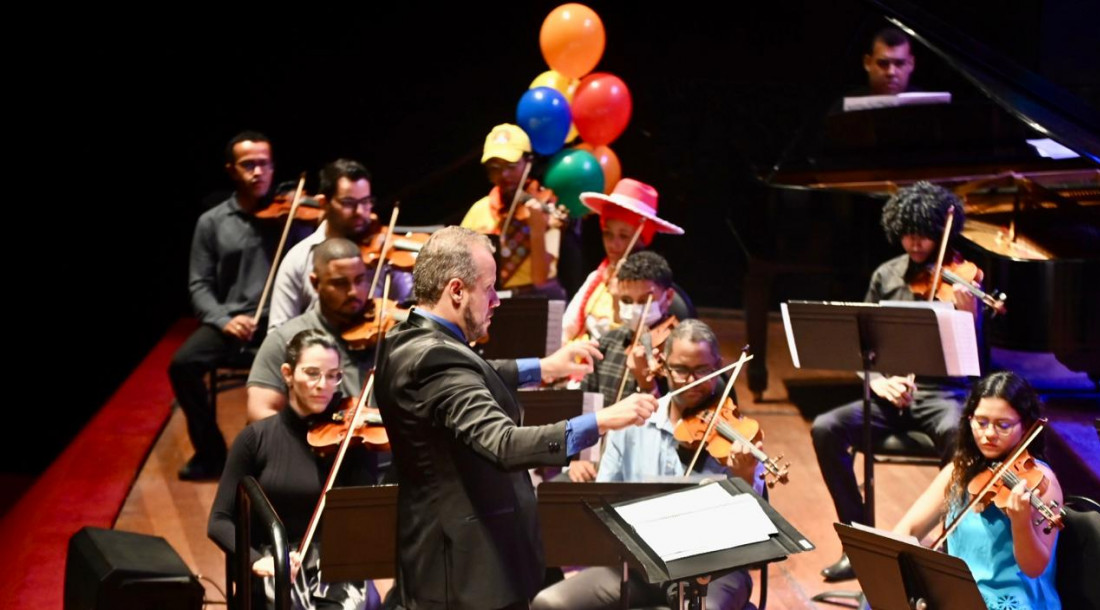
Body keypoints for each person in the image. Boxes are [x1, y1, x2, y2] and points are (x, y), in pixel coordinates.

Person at [373, 226, 660, 610]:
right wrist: (602, 420)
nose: (496, 300)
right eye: (489, 288)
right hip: (465, 573)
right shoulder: (437, 361)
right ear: (456, 290)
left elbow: (475, 371)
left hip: (445, 555)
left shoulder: (405, 337)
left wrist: (543, 368)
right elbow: (505, 445)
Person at [812, 181, 979, 582]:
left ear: (942, 230)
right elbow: (860, 346)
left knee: (961, 438)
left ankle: (945, 552)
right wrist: (877, 381)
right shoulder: (885, 275)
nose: (914, 242)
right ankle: (859, 544)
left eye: (922, 233)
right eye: (906, 232)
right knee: (826, 427)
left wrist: (968, 313)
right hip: (890, 394)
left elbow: (976, 356)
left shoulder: (963, 278)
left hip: (942, 393)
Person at [534, 319, 761, 610]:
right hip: (638, 568)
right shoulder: (631, 423)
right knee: (550, 603)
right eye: (681, 370)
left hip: (715, 572)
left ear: (719, 366)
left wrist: (745, 474)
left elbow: (754, 533)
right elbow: (603, 507)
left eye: (703, 370)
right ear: (664, 366)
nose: (692, 381)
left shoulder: (737, 433)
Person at [208, 329, 382, 610]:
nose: (323, 385)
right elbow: (219, 521)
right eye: (312, 373)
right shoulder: (255, 439)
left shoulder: (353, 438)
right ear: (288, 374)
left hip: (336, 563)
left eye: (333, 375)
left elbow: (362, 519)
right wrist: (257, 561)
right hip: (275, 561)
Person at [170, 130, 287, 481]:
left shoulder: (293, 216)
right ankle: (211, 453)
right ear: (232, 170)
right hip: (235, 321)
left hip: (281, 321)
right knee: (183, 365)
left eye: (264, 164)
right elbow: (199, 284)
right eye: (248, 165)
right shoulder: (212, 222)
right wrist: (223, 319)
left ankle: (288, 457)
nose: (258, 172)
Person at [892, 371, 1063, 609]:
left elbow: (1034, 568)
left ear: (1026, 427)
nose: (989, 434)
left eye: (1003, 425)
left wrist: (1021, 522)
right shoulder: (959, 471)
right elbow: (908, 529)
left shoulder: (1041, 482)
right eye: (981, 422)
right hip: (958, 598)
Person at [248, 238, 383, 428]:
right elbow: (260, 411)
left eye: (360, 280)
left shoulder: (386, 332)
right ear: (315, 283)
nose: (354, 292)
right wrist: (311, 439)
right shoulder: (286, 338)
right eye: (340, 283)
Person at [268, 159, 413, 330]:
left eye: (366, 202)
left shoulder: (385, 254)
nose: (360, 212)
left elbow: (407, 306)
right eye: (348, 203)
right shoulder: (299, 257)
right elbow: (278, 330)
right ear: (324, 203)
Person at [563, 178, 684, 343]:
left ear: (642, 239)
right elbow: (566, 329)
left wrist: (617, 301)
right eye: (608, 233)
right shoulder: (596, 278)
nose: (613, 244)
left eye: (624, 236)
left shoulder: (651, 290)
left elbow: (630, 345)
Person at [461, 124, 567, 299]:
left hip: (533, 299)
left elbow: (540, 280)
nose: (504, 175)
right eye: (496, 167)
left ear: (528, 163)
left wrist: (537, 230)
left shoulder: (545, 207)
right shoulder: (479, 209)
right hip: (487, 299)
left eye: (511, 166)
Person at [862, 26, 916, 96]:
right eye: (883, 63)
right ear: (867, 63)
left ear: (911, 64)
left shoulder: (927, 104)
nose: (891, 72)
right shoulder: (848, 103)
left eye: (899, 64)